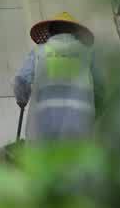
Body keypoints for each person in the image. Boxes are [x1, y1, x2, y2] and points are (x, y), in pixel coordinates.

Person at [13, 12, 102, 141]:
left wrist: (22, 100)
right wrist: (93, 111)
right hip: (80, 126)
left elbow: (21, 81)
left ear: (50, 32)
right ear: (76, 33)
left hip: (43, 125)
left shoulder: (39, 52)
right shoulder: (88, 54)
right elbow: (101, 89)